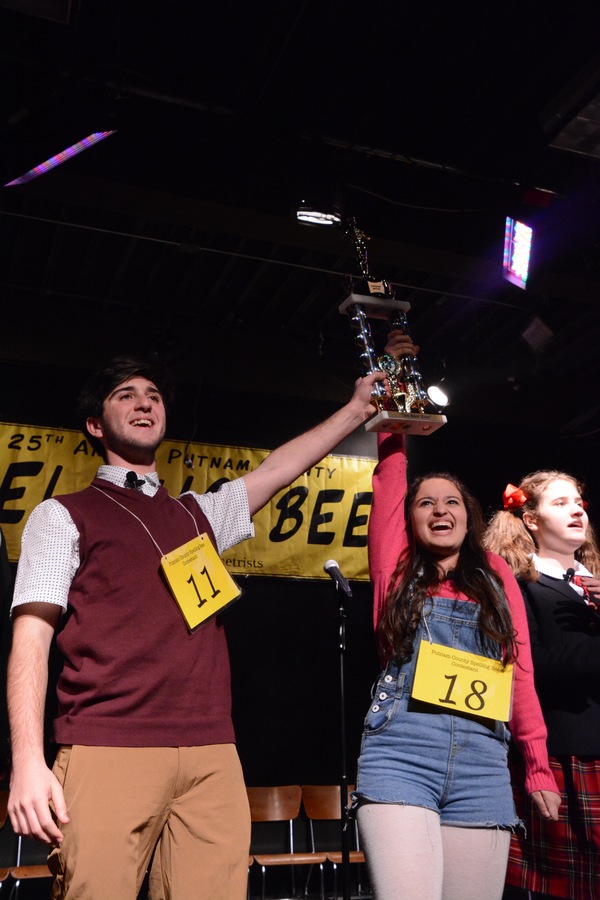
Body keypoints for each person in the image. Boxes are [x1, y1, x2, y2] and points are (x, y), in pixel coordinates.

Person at [6, 354, 384, 900]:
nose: (144, 402)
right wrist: (26, 762)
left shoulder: (196, 516)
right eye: (126, 395)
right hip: (109, 744)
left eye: (154, 395)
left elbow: (279, 469)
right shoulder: (63, 514)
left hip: (212, 754)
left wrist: (355, 411)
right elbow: (31, 641)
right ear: (95, 424)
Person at [351, 332, 560, 900]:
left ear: (469, 517)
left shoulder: (495, 573)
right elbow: (390, 473)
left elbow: (519, 672)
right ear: (411, 521)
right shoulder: (398, 567)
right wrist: (397, 380)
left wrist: (537, 764)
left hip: (483, 763)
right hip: (403, 755)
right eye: (426, 503)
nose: (439, 510)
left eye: (451, 502)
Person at [484, 471, 600, 900]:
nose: (576, 510)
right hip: (566, 752)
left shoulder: (594, 580)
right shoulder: (522, 583)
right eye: (560, 503)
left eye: (578, 502)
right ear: (530, 519)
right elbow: (529, 667)